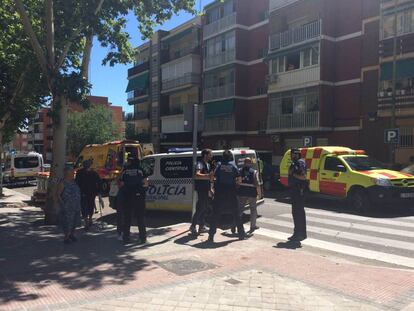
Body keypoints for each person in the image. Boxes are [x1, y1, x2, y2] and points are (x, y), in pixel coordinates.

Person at [208, 150, 245, 243]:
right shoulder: (233, 166)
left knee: (215, 214)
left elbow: (213, 177)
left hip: (220, 192)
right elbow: (239, 178)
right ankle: (241, 234)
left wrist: (212, 187)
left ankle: (211, 236)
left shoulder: (219, 165)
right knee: (236, 213)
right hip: (231, 192)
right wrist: (237, 185)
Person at [119, 155, 148, 245]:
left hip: (127, 196)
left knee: (127, 218)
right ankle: (142, 238)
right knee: (140, 218)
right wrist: (143, 190)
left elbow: (121, 183)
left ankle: (126, 238)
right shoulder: (141, 170)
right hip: (139, 197)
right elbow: (146, 183)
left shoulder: (125, 171)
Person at [233, 157, 260, 234]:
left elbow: (236, 182)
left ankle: (235, 226)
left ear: (244, 163)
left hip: (241, 193)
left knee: (240, 210)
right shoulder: (254, 172)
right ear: (250, 163)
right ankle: (253, 226)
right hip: (251, 193)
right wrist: (258, 193)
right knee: (253, 210)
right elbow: (257, 184)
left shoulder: (239, 171)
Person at [189, 148, 213, 236]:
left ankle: (201, 226)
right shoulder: (200, 164)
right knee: (200, 208)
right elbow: (197, 175)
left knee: (205, 207)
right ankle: (193, 226)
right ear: (205, 155)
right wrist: (208, 175)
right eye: (210, 154)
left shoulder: (208, 165)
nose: (212, 156)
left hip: (206, 189)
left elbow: (209, 179)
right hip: (201, 189)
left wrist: (210, 189)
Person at [56, 166, 81, 244]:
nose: (73, 174)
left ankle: (72, 234)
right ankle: (66, 237)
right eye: (72, 173)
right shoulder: (62, 183)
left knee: (75, 221)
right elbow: (58, 194)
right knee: (67, 222)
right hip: (67, 207)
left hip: (76, 206)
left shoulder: (74, 182)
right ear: (67, 173)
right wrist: (62, 204)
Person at [288, 148, 308, 241]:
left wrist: (293, 175)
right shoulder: (296, 163)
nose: (291, 156)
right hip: (294, 190)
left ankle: (300, 234)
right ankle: (298, 233)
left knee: (298, 212)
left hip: (299, 190)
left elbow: (303, 177)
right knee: (296, 212)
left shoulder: (300, 163)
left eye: (292, 155)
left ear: (296, 155)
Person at [75, 160, 101, 230]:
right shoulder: (94, 173)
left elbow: (76, 182)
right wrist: (98, 191)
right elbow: (99, 182)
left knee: (85, 206)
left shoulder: (79, 172)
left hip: (84, 192)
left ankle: (87, 220)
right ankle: (89, 219)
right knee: (90, 205)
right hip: (91, 192)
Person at [109, 176, 123, 240]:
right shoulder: (117, 179)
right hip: (120, 198)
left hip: (118, 198)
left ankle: (120, 232)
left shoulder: (115, 179)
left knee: (120, 216)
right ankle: (121, 232)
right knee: (121, 216)